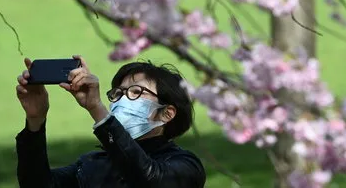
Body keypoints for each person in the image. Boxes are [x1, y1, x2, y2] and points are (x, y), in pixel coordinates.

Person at [15, 55, 206, 188]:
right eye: (119, 93)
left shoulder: (185, 166)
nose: (123, 100)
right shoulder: (93, 164)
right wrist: (35, 121)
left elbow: (148, 179)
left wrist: (97, 109)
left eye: (136, 92)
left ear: (167, 113)